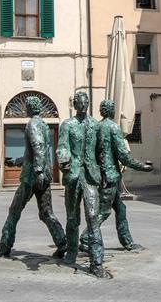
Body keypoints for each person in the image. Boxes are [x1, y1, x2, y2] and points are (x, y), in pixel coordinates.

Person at [0, 96, 66, 258]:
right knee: (46, 213)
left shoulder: (33, 124)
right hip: (43, 174)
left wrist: (37, 171)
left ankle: (4, 247)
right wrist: (27, 162)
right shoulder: (43, 125)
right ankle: (62, 243)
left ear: (29, 108)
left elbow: (38, 147)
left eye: (26, 106)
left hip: (32, 177)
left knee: (14, 210)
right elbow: (38, 150)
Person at [79, 100, 153, 253]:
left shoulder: (96, 127)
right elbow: (123, 155)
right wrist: (143, 167)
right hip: (110, 176)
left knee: (121, 209)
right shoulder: (113, 127)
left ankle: (127, 241)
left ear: (101, 111)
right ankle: (86, 238)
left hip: (101, 175)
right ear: (112, 111)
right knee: (103, 212)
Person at [57, 91, 106, 277]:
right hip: (73, 174)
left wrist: (105, 173)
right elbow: (62, 146)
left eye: (86, 102)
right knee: (72, 217)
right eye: (80, 102)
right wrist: (64, 161)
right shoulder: (67, 125)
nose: (83, 105)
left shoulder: (96, 125)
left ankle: (96, 261)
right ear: (75, 104)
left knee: (93, 217)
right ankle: (71, 252)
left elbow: (101, 150)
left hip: (91, 176)